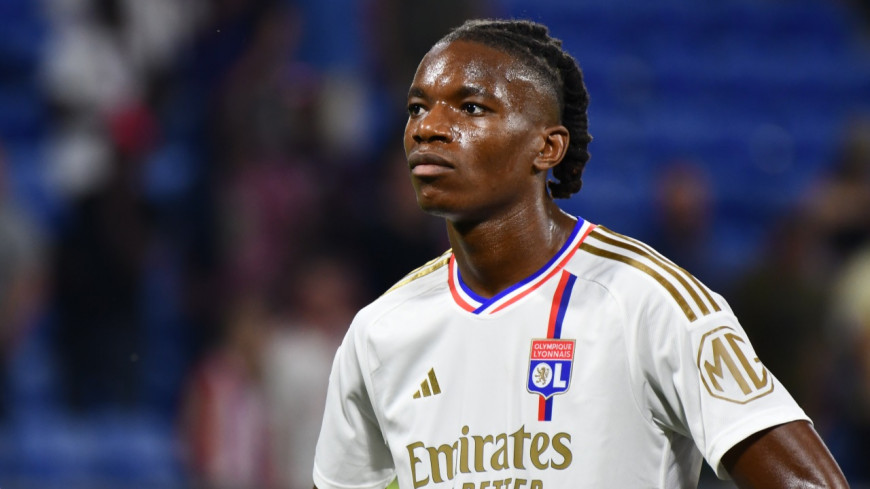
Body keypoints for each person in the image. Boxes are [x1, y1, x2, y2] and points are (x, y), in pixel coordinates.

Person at [312, 19, 849, 489]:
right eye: (417, 108)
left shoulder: (651, 304)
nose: (428, 128)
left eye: (471, 108)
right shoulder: (378, 331)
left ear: (547, 147)